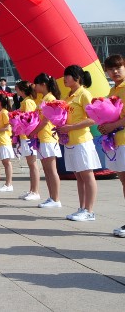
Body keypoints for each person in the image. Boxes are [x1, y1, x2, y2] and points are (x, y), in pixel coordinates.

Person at [56, 65, 100, 222]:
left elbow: (93, 118)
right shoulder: (67, 97)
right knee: (79, 177)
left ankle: (89, 211)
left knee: (87, 175)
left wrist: (71, 127)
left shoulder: (84, 94)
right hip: (70, 141)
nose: (64, 79)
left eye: (67, 75)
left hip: (82, 141)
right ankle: (82, 208)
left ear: (77, 77)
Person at [97, 55, 125, 236]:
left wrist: (112, 126)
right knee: (123, 182)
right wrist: (103, 125)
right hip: (117, 142)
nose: (114, 71)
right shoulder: (112, 91)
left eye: (118, 67)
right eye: (110, 69)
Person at [32, 73, 62, 209]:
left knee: (51, 169)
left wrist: (33, 131)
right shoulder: (43, 98)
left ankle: (56, 198)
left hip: (49, 137)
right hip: (42, 137)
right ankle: (51, 197)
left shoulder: (50, 98)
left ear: (43, 85)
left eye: (36, 84)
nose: (35, 87)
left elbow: (45, 121)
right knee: (47, 169)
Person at [15, 81, 41, 201]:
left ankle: (35, 191)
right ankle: (32, 190)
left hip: (28, 137)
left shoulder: (28, 102)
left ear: (22, 90)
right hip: (24, 136)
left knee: (33, 164)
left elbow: (30, 119)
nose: (16, 91)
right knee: (30, 165)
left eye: (17, 89)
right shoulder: (25, 101)